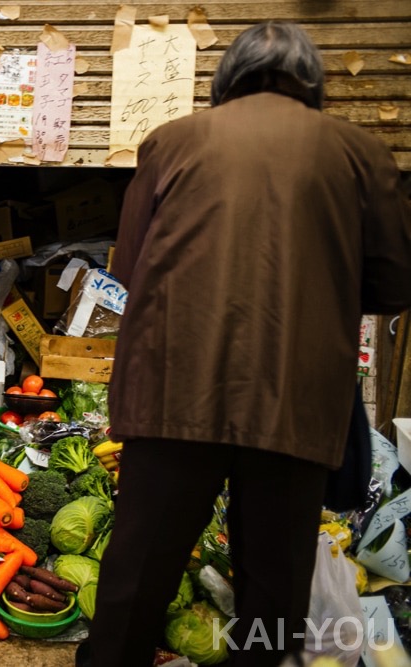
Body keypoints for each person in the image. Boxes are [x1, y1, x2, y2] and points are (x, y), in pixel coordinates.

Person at [84, 22, 411, 667]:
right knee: (272, 585)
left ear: (225, 79)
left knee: (140, 569)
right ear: (313, 82)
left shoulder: (171, 141)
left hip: (174, 389)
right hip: (293, 397)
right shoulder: (359, 151)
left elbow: (127, 269)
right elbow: (394, 282)